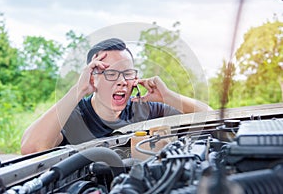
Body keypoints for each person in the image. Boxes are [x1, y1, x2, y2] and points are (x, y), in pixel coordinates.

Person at [21, 38, 212, 155]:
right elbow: (31, 148)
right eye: (111, 73)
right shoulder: (73, 116)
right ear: (92, 78)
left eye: (127, 73)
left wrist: (168, 96)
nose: (121, 81)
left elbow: (209, 117)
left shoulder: (145, 110)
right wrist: (77, 91)